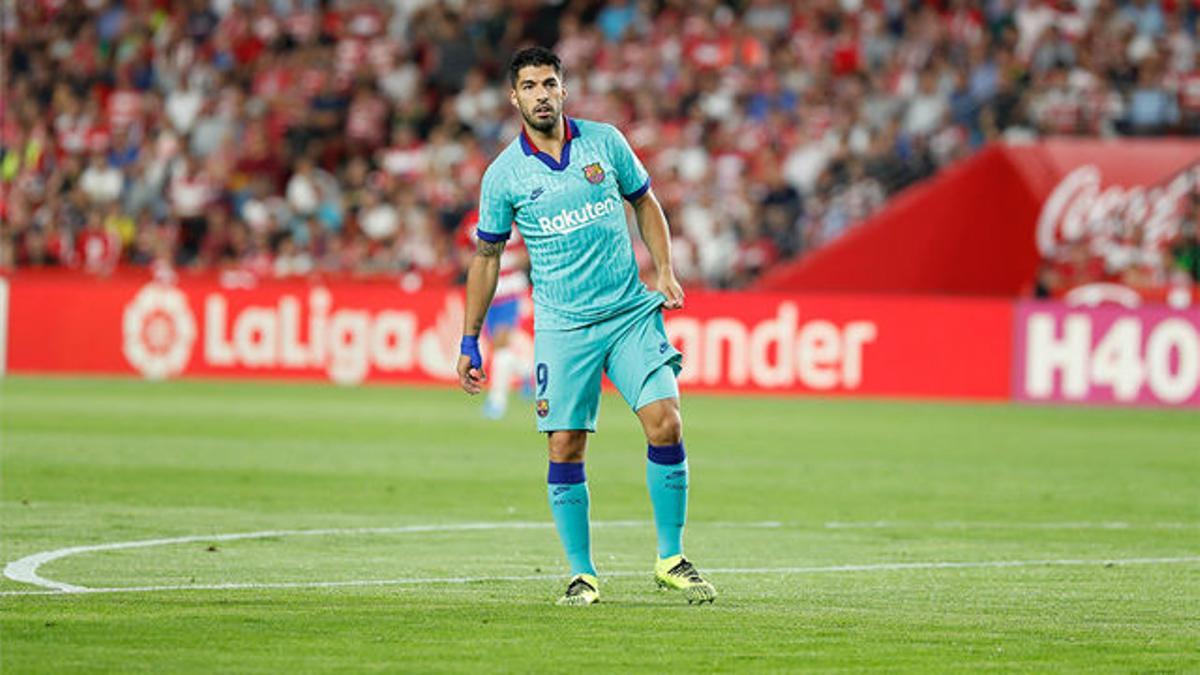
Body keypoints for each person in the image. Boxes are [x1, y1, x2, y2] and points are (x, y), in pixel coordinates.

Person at [456, 47, 717, 606]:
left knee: (666, 422)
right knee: (566, 447)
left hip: (628, 312)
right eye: (529, 86)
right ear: (514, 97)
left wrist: (665, 270)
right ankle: (583, 573)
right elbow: (486, 258)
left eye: (549, 83)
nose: (541, 94)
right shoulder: (503, 175)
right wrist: (469, 338)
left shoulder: (605, 142)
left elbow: (645, 203)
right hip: (563, 326)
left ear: (563, 89)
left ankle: (671, 558)